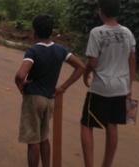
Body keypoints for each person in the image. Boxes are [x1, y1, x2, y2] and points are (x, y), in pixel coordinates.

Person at [15, 14, 86, 167]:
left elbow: (21, 74)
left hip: (33, 99)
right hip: (50, 99)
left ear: (33, 32)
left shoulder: (33, 51)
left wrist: (19, 83)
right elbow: (81, 66)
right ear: (52, 32)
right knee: (43, 137)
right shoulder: (60, 50)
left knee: (32, 139)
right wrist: (63, 87)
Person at [80, 0, 136, 167]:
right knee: (112, 126)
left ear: (101, 11)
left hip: (101, 88)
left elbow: (93, 61)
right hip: (121, 88)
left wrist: (85, 73)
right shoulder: (127, 33)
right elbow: (132, 63)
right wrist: (129, 87)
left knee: (86, 125)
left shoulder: (97, 33)